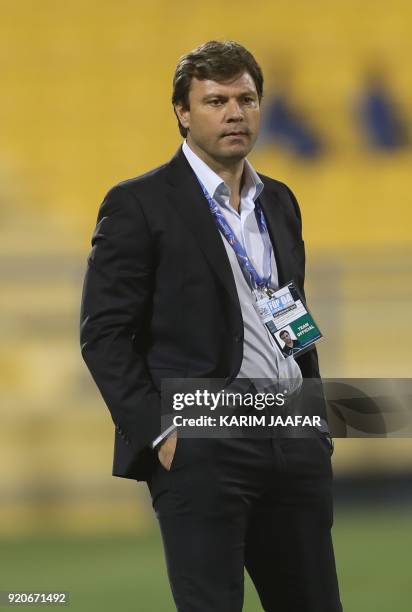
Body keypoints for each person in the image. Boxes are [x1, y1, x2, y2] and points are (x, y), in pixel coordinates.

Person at [80, 40, 342, 612]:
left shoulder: (280, 201)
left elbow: (289, 310)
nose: (234, 113)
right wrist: (161, 434)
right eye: (216, 100)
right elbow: (102, 334)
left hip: (289, 436)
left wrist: (314, 420)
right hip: (200, 442)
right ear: (182, 111)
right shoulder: (139, 204)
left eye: (246, 99)